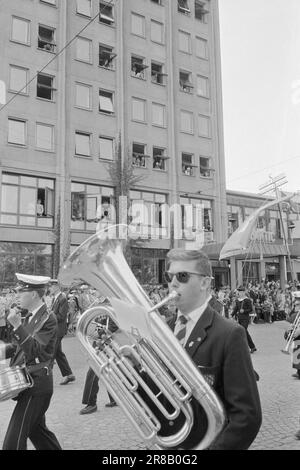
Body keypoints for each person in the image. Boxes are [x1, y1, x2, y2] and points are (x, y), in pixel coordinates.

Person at [161, 249, 262, 450]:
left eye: (182, 276)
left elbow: (247, 416)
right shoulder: (163, 329)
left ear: (205, 283)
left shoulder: (230, 334)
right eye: (169, 276)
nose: (172, 283)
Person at [0, 273, 62, 450]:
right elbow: (18, 346)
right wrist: (3, 350)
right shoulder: (29, 316)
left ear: (34, 294)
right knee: (40, 434)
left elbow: (35, 350)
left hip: (37, 385)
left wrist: (18, 326)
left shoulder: (47, 318)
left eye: (21, 292)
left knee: (13, 443)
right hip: (29, 382)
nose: (17, 296)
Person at [79, 314, 118, 414]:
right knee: (107, 371)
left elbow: (114, 326)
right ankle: (114, 398)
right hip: (101, 342)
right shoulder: (100, 305)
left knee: (93, 372)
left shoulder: (110, 303)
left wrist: (99, 332)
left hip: (108, 342)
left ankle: (91, 403)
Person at [48, 279, 75, 385]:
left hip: (58, 330)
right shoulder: (56, 298)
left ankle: (45, 379)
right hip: (56, 329)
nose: (49, 288)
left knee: (51, 354)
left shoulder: (62, 298)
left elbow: (61, 316)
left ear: (56, 287)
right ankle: (69, 375)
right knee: (58, 354)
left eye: (51, 286)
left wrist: (49, 315)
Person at [232, 286, 257, 354]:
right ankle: (252, 347)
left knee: (243, 331)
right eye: (239, 292)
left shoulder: (247, 300)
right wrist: (231, 315)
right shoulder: (238, 300)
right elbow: (236, 309)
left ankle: (244, 348)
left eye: (241, 292)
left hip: (245, 318)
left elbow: (250, 309)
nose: (240, 293)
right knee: (245, 333)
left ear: (244, 292)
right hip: (239, 318)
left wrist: (244, 311)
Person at [284, 291, 300, 380]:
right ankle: (299, 371)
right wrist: (288, 331)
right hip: (297, 341)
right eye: (295, 304)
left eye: (298, 304)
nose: (296, 306)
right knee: (297, 348)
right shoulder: (293, 316)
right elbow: (286, 334)